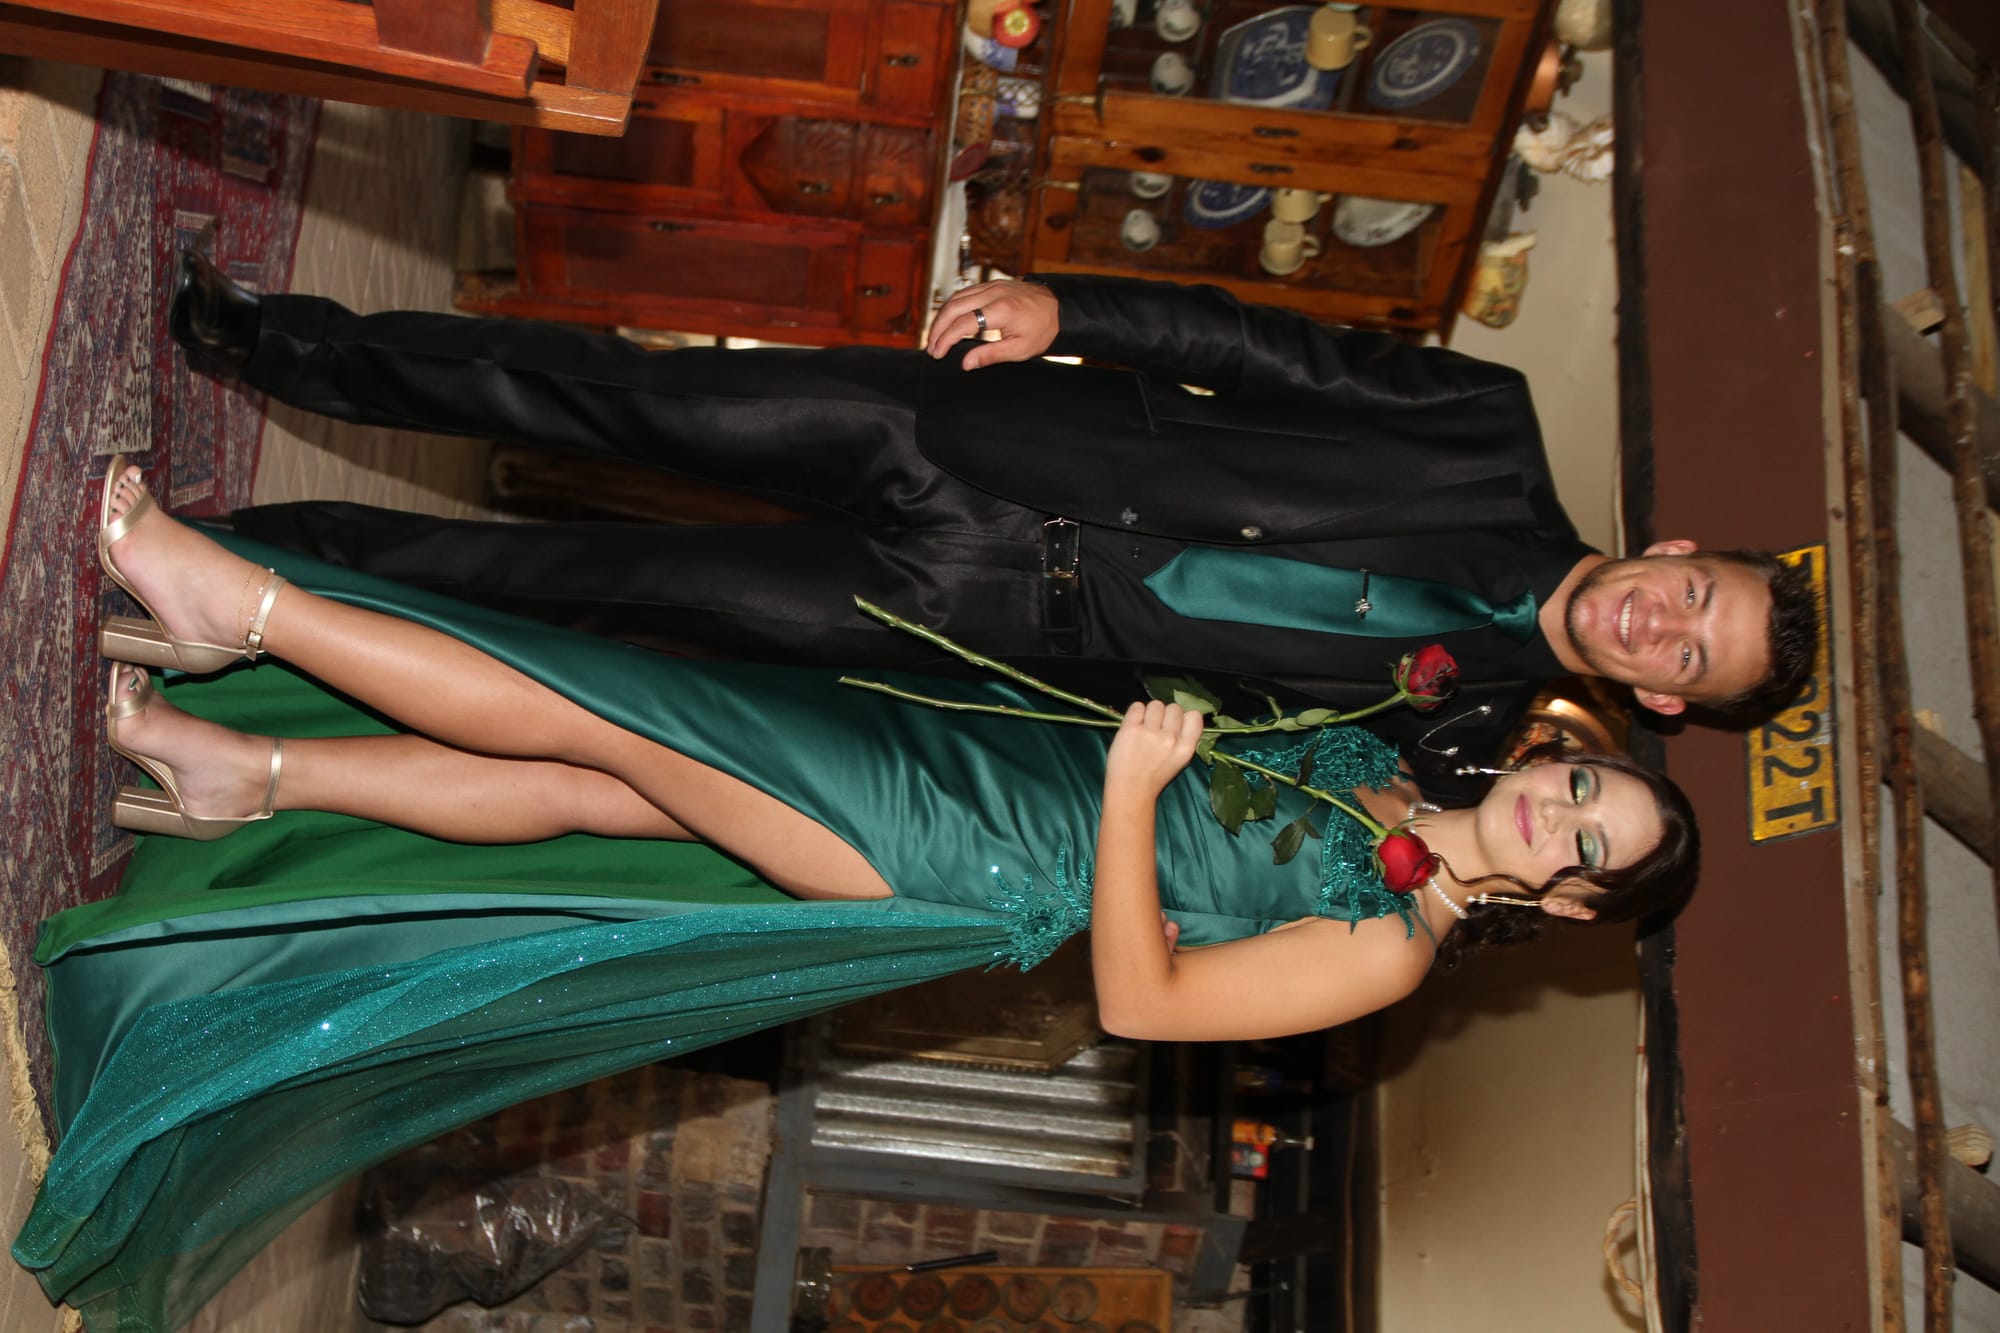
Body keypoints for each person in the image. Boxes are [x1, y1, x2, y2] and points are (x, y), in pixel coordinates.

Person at [16, 460, 1701, 1326]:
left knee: (616, 709)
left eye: (1589, 844)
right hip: (967, 752)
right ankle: (257, 775)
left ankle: (246, 613)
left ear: (1567, 910)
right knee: (612, 792)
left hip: (956, 854)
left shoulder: (1393, 951)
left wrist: (1131, 800)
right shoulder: (1392, 765)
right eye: (1581, 782)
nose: (1557, 812)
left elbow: (1144, 1000)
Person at [171, 257, 1818, 776]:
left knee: (599, 590)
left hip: (979, 619)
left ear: (1665, 700)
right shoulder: (1489, 425)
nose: (1664, 622)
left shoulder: (1454, 744)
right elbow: (1262, 347)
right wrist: (1066, 309)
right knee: (627, 398)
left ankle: (262, 563)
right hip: (979, 440)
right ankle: (282, 343)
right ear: (1679, 553)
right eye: (1700, 595)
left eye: (1692, 655)